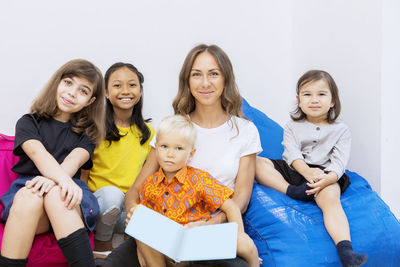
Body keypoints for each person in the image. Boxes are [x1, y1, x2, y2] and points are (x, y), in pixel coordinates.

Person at [96, 44, 262, 267]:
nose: (205, 83)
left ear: (226, 79)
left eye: (213, 74)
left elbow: (240, 199)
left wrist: (211, 224)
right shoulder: (174, 128)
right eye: (196, 75)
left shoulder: (245, 131)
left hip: (209, 233)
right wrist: (135, 212)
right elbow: (136, 190)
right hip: (164, 231)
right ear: (187, 80)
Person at [255, 70, 368, 267]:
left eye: (321, 94)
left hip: (326, 173)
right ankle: (292, 191)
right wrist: (306, 172)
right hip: (297, 169)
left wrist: (328, 179)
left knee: (331, 199)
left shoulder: (341, 130)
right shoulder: (292, 126)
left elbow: (340, 162)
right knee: (256, 163)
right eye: (307, 94)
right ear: (299, 100)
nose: (314, 100)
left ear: (332, 101)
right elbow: (292, 154)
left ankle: (346, 250)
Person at [0, 59, 105, 267]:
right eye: (68, 83)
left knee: (58, 194)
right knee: (29, 195)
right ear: (57, 83)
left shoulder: (88, 133)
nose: (72, 93)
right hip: (32, 200)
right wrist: (51, 182)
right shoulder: (29, 122)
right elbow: (39, 155)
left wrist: (56, 183)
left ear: (90, 101)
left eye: (83, 91)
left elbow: (73, 161)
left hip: (67, 197)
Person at [134, 115, 259, 267]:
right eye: (164, 146)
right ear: (156, 147)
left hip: (197, 240)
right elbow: (144, 223)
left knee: (245, 244)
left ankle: (254, 262)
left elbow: (231, 206)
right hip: (166, 245)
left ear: (190, 154)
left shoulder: (198, 179)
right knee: (139, 218)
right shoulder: (149, 184)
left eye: (179, 148)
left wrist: (239, 235)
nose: (170, 154)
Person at [81, 62, 154, 257]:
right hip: (99, 206)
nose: (125, 91)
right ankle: (101, 244)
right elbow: (83, 177)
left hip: (127, 210)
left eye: (132, 85)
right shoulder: (93, 130)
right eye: (117, 85)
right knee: (113, 196)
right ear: (106, 92)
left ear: (140, 90)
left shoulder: (149, 134)